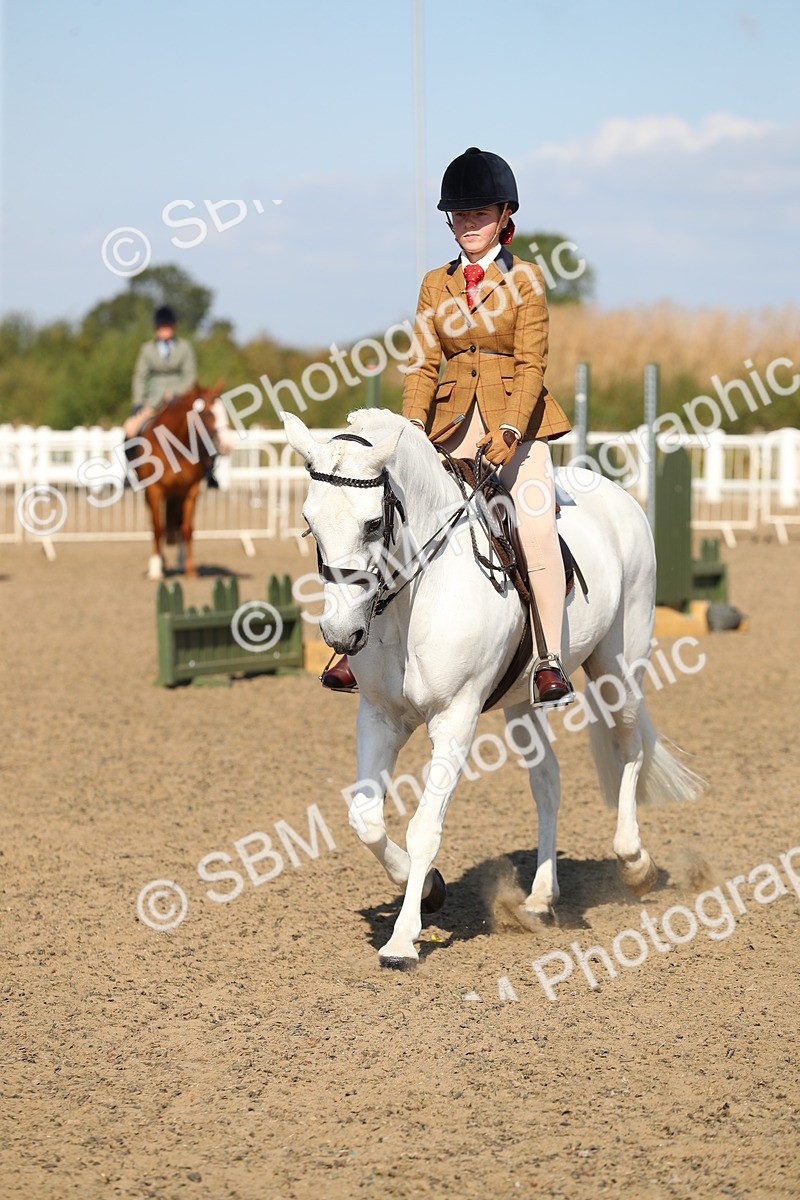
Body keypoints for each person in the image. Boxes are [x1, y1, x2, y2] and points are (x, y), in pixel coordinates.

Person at [322, 146, 575, 708]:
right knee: (393, 515)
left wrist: (511, 429)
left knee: (532, 523)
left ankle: (549, 659)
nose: (467, 226)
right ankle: (354, 647)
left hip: (518, 423)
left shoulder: (527, 280)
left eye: (478, 215)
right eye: (459, 217)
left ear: (505, 216)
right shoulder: (436, 283)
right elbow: (421, 362)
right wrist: (412, 427)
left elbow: (532, 365)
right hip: (448, 422)